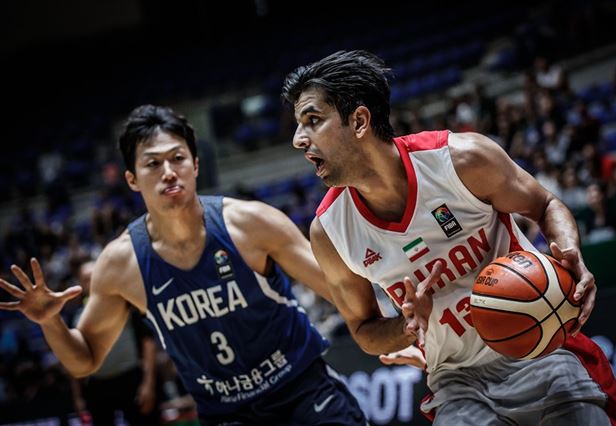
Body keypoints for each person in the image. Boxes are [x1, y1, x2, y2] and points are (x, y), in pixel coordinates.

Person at [281, 50, 616, 425]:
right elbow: (364, 332)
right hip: (457, 382)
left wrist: (570, 251)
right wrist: (407, 326)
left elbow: (545, 204)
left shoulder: (459, 160)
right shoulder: (329, 231)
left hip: (540, 350)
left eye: (313, 120)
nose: (298, 140)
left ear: (359, 121)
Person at [0, 105, 367, 425]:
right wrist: (50, 322)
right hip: (228, 414)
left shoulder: (251, 223)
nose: (168, 171)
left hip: (301, 389)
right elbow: (85, 359)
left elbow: (337, 289)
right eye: (152, 163)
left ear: (195, 164)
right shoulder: (121, 263)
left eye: (177, 158)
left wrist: (391, 327)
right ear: (131, 178)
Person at [68, 258, 160, 426]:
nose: (91, 281)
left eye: (94, 276)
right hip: (97, 386)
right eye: (86, 278)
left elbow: (148, 342)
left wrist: (148, 383)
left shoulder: (126, 302)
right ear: (80, 283)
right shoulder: (74, 315)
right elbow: (71, 358)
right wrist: (78, 397)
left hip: (131, 380)